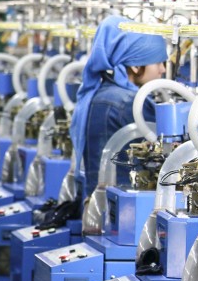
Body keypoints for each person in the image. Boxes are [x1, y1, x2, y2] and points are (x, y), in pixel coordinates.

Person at [70, 14, 167, 191]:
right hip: (127, 199)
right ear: (136, 66)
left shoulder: (101, 93)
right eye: (158, 62)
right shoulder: (130, 103)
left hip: (100, 197)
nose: (163, 69)